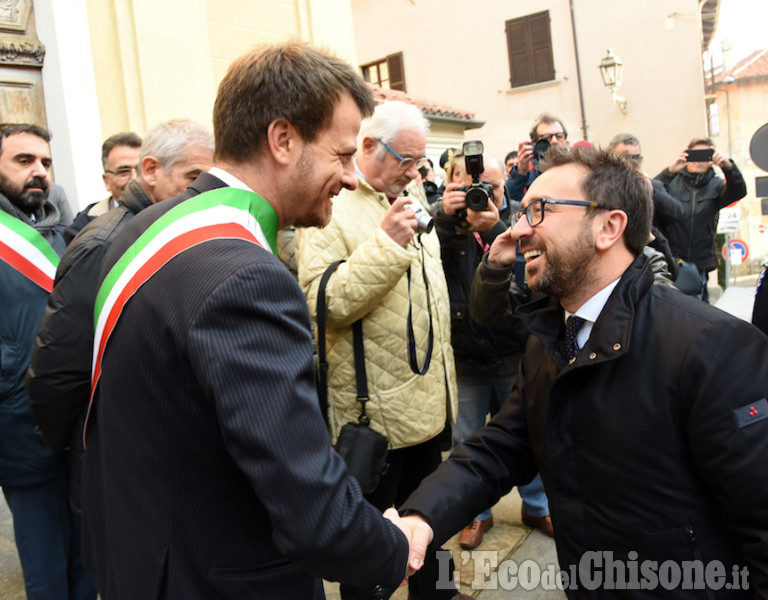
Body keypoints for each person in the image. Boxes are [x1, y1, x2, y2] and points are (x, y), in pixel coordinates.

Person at [80, 43, 419, 600]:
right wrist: (390, 544)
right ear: (282, 140)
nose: (352, 178)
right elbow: (313, 514)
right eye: (340, 155)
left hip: (143, 557)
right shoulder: (245, 277)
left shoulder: (148, 227)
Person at [399, 146, 768, 597]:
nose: (516, 230)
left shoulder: (713, 347)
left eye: (538, 211)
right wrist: (422, 517)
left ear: (609, 227)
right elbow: (501, 446)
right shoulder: (549, 337)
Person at [297, 100, 467, 600]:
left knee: (433, 523)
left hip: (427, 407)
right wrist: (386, 245)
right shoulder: (333, 205)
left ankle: (438, 594)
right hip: (376, 422)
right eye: (405, 159)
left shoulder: (410, 193)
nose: (415, 172)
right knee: (369, 550)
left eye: (419, 161)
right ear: (368, 145)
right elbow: (322, 305)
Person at [26, 119, 215, 516]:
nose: (202, 190)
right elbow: (60, 364)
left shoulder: (174, 228)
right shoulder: (104, 244)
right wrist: (74, 441)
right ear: (150, 171)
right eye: (192, 176)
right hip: (112, 457)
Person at [432, 152, 550, 549]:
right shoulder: (443, 225)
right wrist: (447, 221)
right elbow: (430, 264)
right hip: (465, 353)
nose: (482, 195)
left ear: (505, 187)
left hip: (512, 350)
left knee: (529, 432)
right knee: (467, 441)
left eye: (493, 187)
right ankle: (475, 513)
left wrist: (498, 226)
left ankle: (535, 505)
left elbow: (532, 280)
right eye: (471, 189)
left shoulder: (524, 222)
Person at [0, 124, 95, 599]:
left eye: (45, 162)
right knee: (46, 572)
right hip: (20, 425)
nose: (38, 172)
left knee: (86, 563)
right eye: (23, 161)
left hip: (74, 423)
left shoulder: (62, 232)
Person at [655, 137, 747, 302]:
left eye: (705, 156)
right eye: (695, 155)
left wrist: (728, 167)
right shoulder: (672, 183)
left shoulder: (716, 185)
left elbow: (738, 191)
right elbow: (650, 193)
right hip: (672, 260)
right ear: (687, 156)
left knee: (699, 311)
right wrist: (670, 171)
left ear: (711, 160)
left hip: (700, 264)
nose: (699, 161)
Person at [64, 132, 142, 242]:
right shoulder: (85, 226)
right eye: (123, 172)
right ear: (107, 181)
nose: (134, 179)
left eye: (140, 170)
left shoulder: (165, 213)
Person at [505, 112, 569, 202]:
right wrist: (521, 172)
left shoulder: (577, 168)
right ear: (536, 144)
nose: (554, 141)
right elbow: (511, 202)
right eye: (547, 138)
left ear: (566, 141)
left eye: (559, 136)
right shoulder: (530, 172)